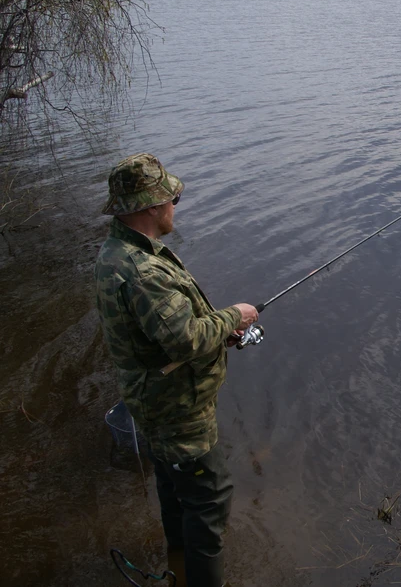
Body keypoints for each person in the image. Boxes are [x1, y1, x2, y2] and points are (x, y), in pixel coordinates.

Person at [94, 153, 259, 587]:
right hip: (179, 413)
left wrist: (216, 331)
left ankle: (177, 568)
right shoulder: (143, 270)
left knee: (173, 491)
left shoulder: (117, 252)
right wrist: (233, 317)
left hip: (152, 405)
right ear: (151, 206)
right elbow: (185, 339)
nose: (175, 205)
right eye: (174, 197)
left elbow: (163, 334)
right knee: (209, 501)